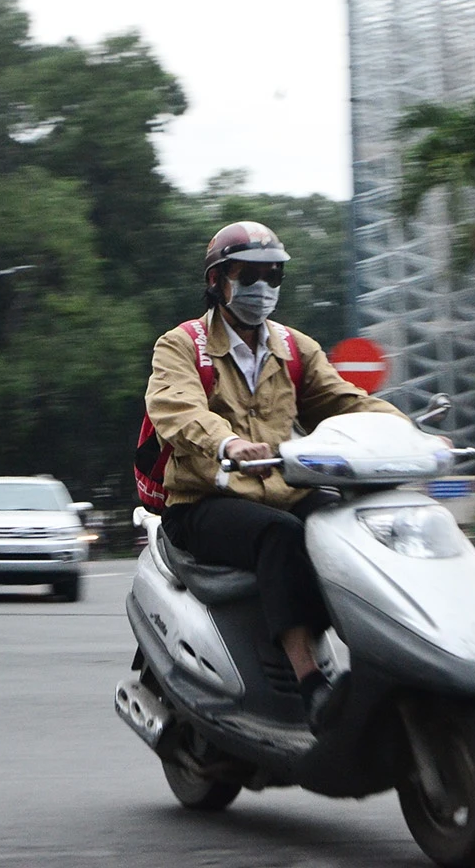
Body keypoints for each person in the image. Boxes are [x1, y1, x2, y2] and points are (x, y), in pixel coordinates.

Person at [145, 221, 419, 730]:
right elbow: (175, 409)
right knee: (282, 537)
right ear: (217, 281)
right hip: (203, 501)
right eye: (247, 275)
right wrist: (226, 442)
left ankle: (384, 656)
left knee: (353, 527)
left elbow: (346, 404)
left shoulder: (295, 349)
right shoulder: (182, 345)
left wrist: (412, 434)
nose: (262, 288)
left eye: (273, 275)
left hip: (282, 490)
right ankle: (309, 680)